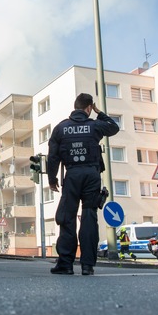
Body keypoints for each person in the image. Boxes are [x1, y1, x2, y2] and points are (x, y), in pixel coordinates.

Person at [47, 93, 119, 275]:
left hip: (72, 175)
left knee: (67, 217)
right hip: (92, 175)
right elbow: (114, 127)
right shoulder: (95, 125)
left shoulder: (60, 128)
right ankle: (87, 266)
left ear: (75, 106)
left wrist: (52, 179)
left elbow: (53, 157)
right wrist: (99, 112)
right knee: (89, 217)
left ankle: (65, 264)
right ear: (89, 108)